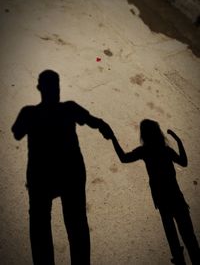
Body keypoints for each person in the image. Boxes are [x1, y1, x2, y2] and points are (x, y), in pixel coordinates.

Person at [11, 70, 110, 265]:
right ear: (58, 88)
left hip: (41, 177)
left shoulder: (29, 113)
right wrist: (104, 128)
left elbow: (16, 133)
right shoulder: (69, 108)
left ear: (40, 89)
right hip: (70, 173)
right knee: (77, 224)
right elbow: (94, 122)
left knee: (40, 227)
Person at [108, 119, 200, 265]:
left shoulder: (145, 151)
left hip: (162, 202)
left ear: (144, 135)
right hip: (176, 198)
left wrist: (113, 138)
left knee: (173, 240)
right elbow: (184, 162)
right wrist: (178, 140)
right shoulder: (166, 150)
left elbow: (123, 158)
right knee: (190, 238)